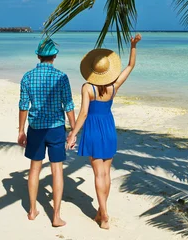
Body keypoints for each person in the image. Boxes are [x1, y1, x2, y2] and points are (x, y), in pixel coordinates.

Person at [67, 33, 142, 229]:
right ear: (108, 70)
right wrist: (133, 46)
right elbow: (130, 66)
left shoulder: (87, 88)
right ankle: (101, 211)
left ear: (92, 70)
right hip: (108, 128)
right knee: (106, 174)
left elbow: (83, 113)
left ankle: (105, 214)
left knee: (98, 174)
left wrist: (73, 134)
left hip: (92, 129)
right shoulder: (114, 86)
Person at [18, 38, 76, 227]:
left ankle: (33, 210)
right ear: (54, 56)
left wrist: (20, 130)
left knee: (34, 169)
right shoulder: (62, 77)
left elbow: (23, 106)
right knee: (57, 170)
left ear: (38, 55)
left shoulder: (27, 76)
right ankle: (56, 215)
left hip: (35, 128)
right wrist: (73, 130)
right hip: (56, 128)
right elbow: (68, 105)